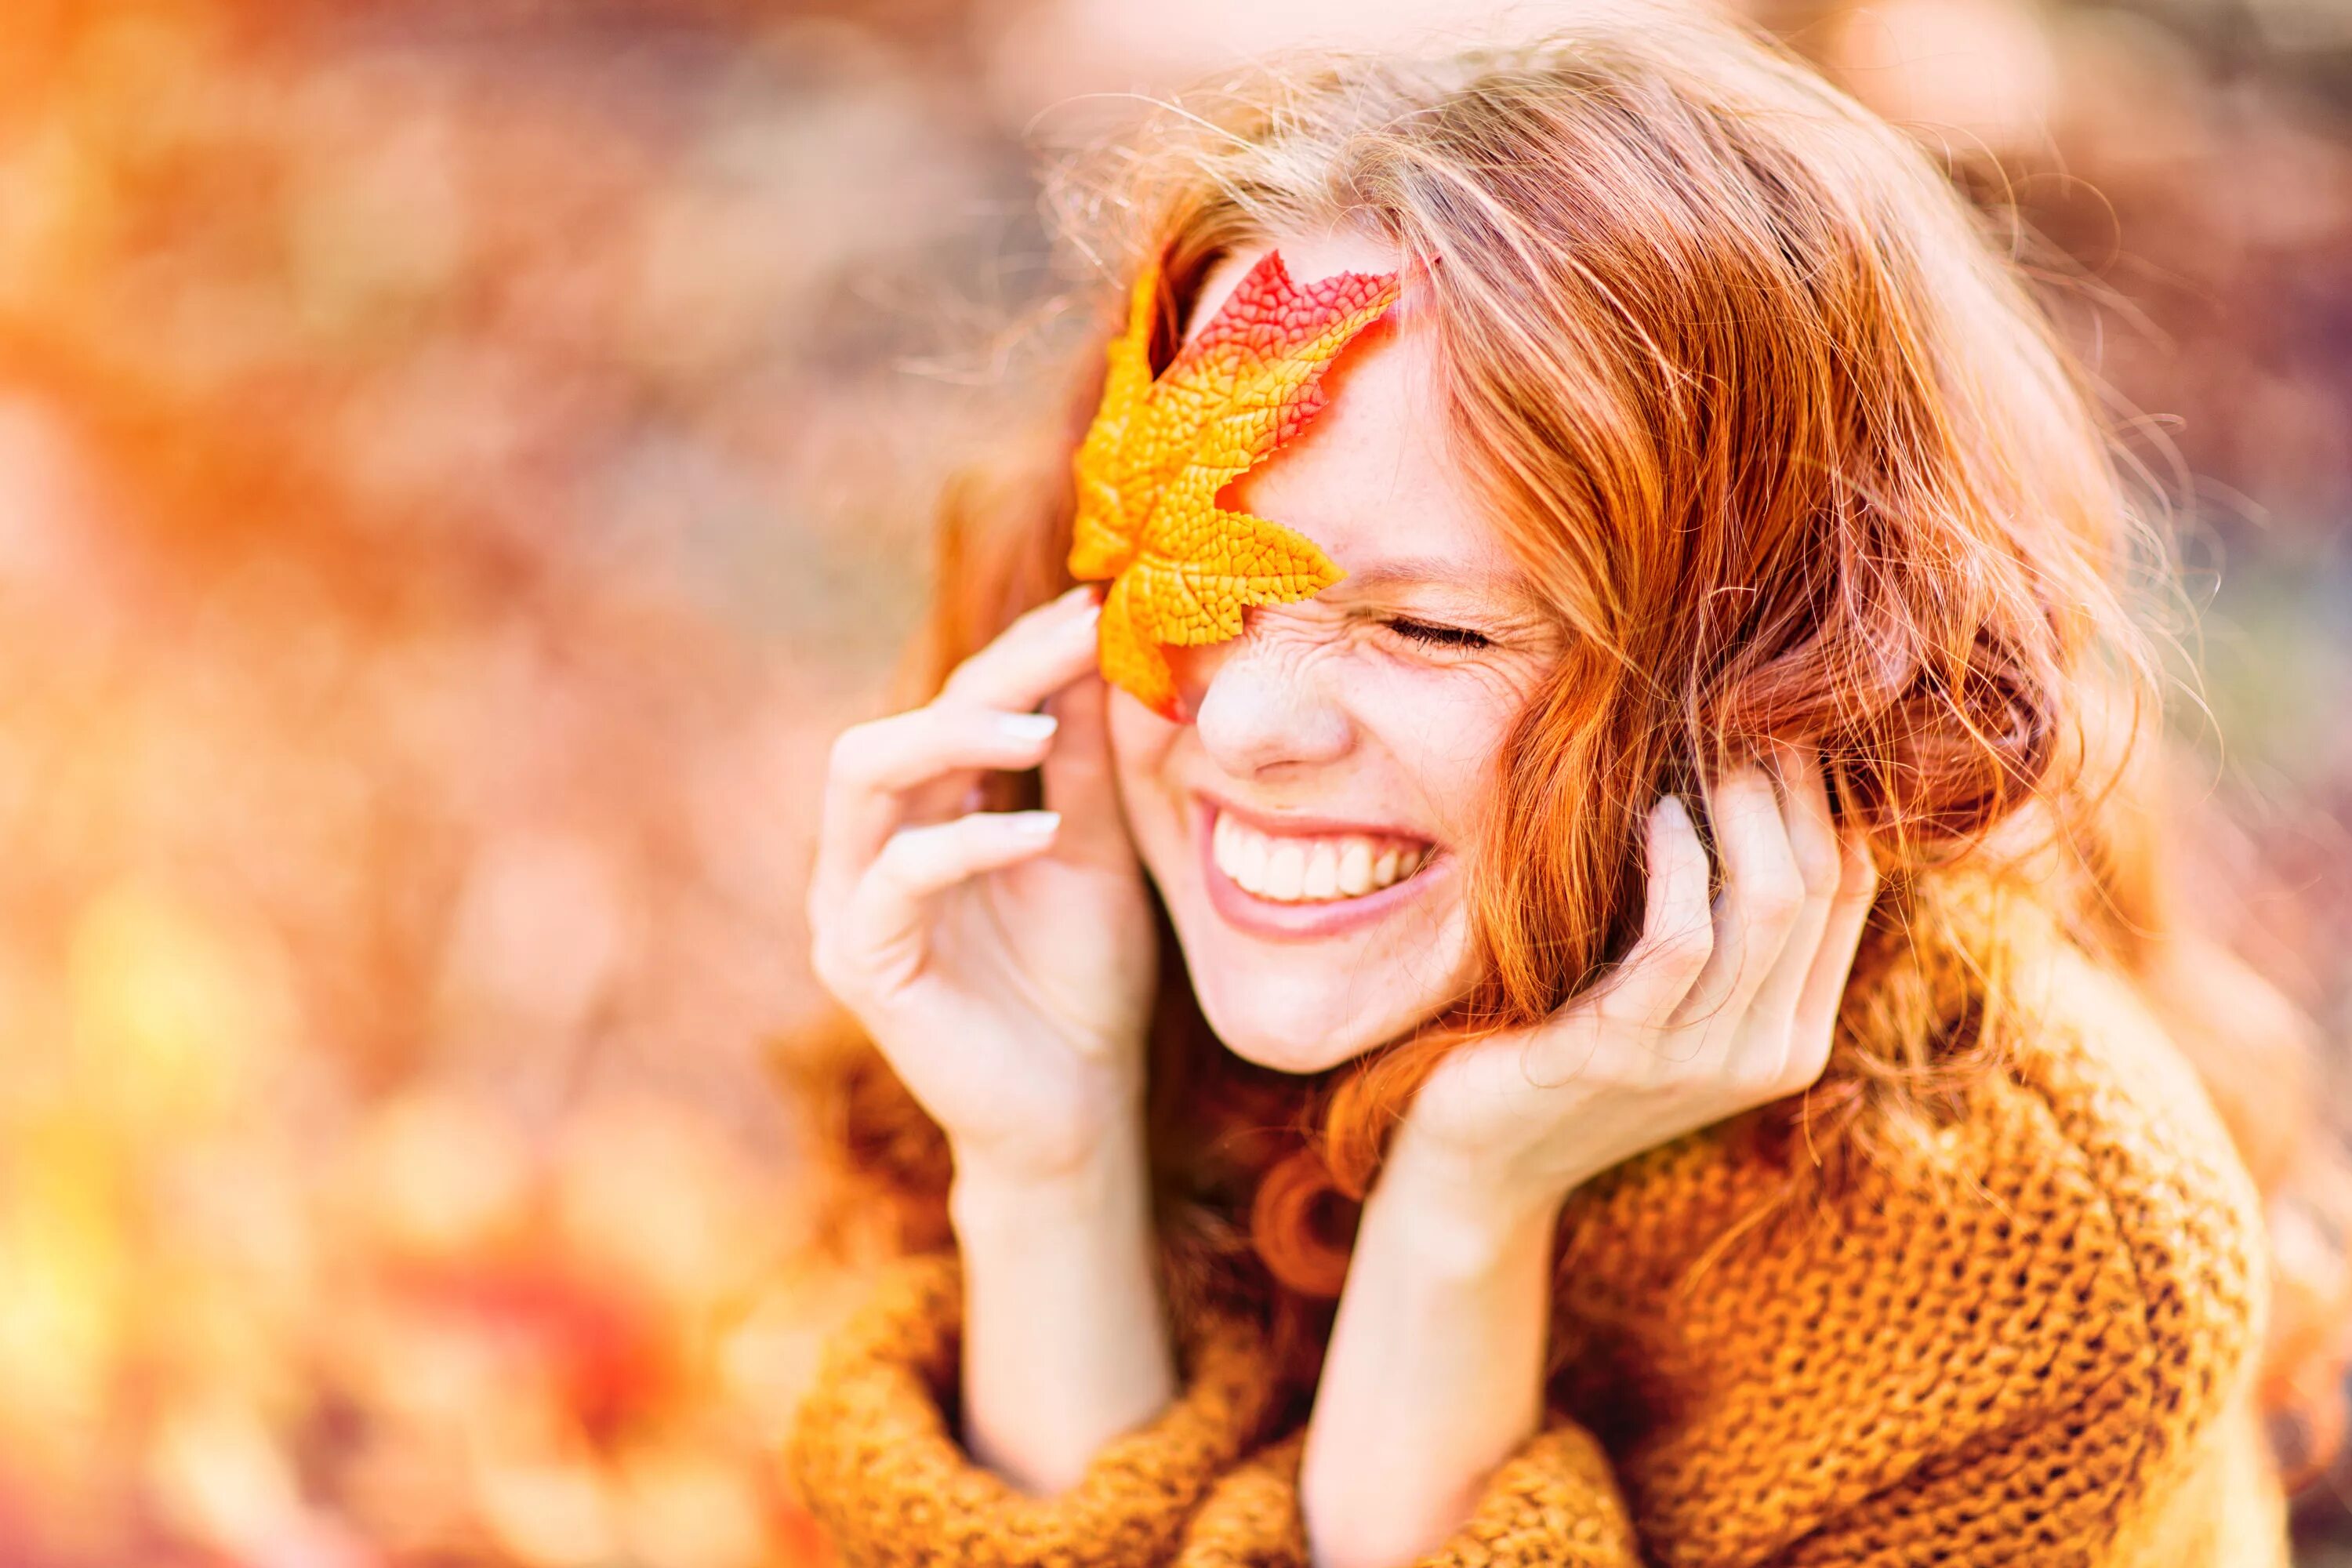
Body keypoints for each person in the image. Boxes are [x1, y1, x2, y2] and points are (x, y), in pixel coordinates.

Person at [780, 8, 2347, 1564]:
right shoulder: (1098, 928)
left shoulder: (2037, 1279)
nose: (1245, 723)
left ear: (1778, 675)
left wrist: (1463, 1219)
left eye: (1430, 626)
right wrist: (1050, 1166)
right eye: (1184, 579)